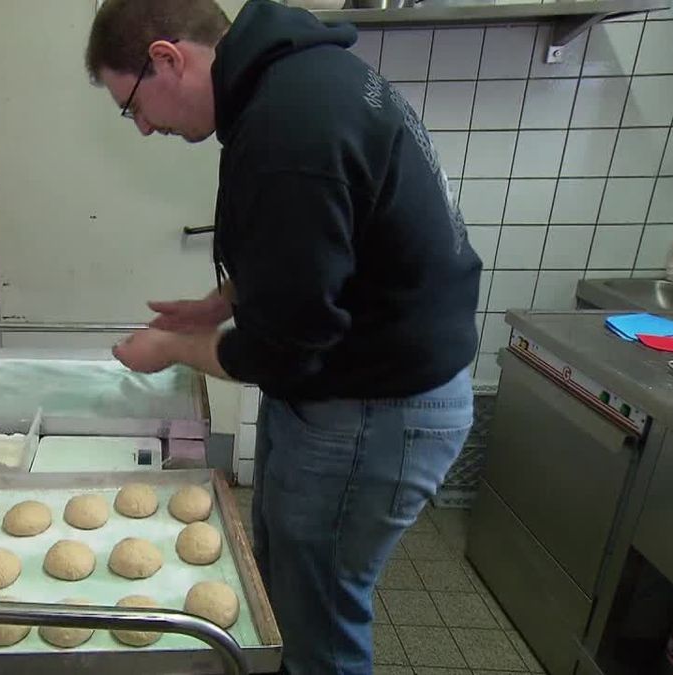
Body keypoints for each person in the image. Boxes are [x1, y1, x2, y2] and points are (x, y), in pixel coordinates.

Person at [85, 0, 482, 672]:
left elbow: (285, 345)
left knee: (318, 625)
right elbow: (327, 244)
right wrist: (221, 303)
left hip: (375, 409)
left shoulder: (288, 127)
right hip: (358, 388)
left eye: (134, 107)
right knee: (283, 590)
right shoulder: (301, 80)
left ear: (167, 58)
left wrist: (172, 350)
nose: (145, 128)